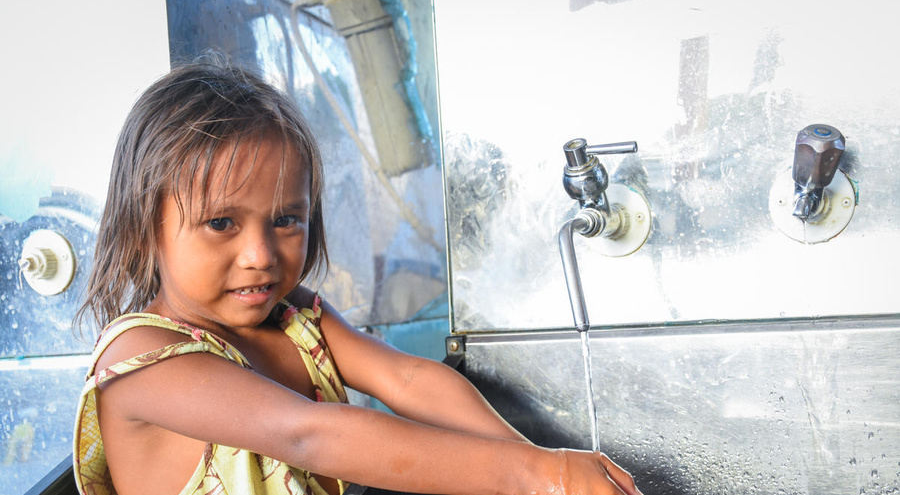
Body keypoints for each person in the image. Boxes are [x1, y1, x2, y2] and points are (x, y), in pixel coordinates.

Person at [72, 62, 642, 495]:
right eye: (221, 223)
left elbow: (407, 379)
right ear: (145, 226)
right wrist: (536, 474)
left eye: (286, 219)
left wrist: (537, 462)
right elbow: (309, 434)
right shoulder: (141, 357)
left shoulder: (293, 317)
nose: (261, 254)